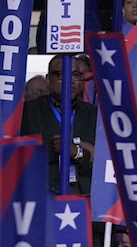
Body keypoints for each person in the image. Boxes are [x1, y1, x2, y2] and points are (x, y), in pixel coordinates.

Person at [19, 54, 97, 194]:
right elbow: (23, 158)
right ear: (49, 79)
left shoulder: (93, 114)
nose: (71, 80)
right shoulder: (28, 112)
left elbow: (101, 163)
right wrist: (66, 148)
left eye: (76, 74)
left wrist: (77, 153)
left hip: (84, 196)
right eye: (62, 74)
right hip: (43, 196)